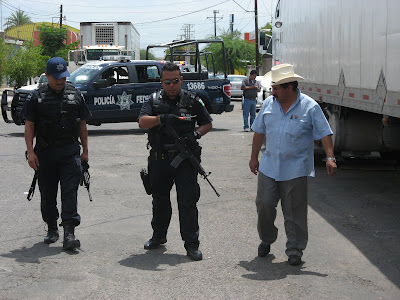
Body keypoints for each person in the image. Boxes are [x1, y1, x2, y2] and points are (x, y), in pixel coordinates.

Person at [249, 64, 337, 265]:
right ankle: (267, 238)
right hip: (269, 166)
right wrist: (254, 157)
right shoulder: (269, 105)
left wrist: (330, 158)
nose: (273, 91)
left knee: (294, 211)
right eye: (273, 87)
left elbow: (324, 133)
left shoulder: (309, 106)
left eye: (277, 88)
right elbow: (259, 131)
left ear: (289, 88)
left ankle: (295, 249)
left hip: (295, 168)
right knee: (264, 204)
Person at [138, 62, 213, 261]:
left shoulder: (192, 101)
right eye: (167, 81)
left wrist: (195, 135)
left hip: (185, 161)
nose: (172, 85)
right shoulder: (153, 100)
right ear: (161, 81)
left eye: (176, 81)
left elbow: (207, 124)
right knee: (160, 201)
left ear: (181, 80)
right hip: (159, 159)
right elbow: (142, 122)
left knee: (187, 202)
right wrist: (161, 119)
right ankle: (158, 236)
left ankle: (191, 244)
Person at [22, 57, 91, 251]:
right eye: (56, 78)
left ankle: (69, 233)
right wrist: (30, 152)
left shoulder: (75, 95)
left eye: (63, 77)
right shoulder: (36, 97)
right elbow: (29, 125)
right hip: (45, 153)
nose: (60, 81)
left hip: (69, 151)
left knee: (70, 192)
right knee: (48, 194)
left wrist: (85, 150)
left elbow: (82, 123)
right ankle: (52, 227)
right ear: (47, 76)